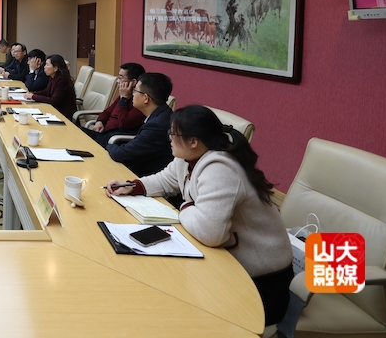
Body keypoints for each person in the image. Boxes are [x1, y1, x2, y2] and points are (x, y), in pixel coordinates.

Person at [104, 105, 293, 326]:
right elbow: (166, 180)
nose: (169, 138)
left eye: (173, 134)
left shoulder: (220, 168)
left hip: (261, 283)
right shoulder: (188, 158)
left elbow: (210, 232)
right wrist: (132, 186)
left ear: (193, 141)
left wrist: (185, 207)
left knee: (184, 315)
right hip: (226, 262)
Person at [105, 72, 173, 177]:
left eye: (135, 90)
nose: (132, 94)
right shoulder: (163, 113)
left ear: (145, 98)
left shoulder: (157, 126)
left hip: (146, 177)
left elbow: (121, 154)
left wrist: (107, 145)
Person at [82, 62, 146, 148]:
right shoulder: (123, 96)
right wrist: (100, 121)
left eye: (120, 78)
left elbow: (124, 123)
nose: (117, 81)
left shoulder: (140, 102)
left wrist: (124, 99)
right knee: (73, 130)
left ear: (133, 82)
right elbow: (107, 112)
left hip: (113, 141)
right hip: (103, 135)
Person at [25, 54, 77, 120]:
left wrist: (33, 96)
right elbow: (46, 92)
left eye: (47, 65)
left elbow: (53, 101)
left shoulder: (62, 80)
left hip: (63, 115)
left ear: (55, 68)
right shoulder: (53, 77)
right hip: (54, 112)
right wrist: (33, 94)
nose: (44, 67)